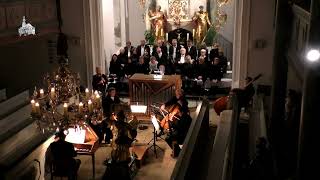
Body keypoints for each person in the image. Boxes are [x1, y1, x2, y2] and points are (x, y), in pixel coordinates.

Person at [161, 89, 191, 157]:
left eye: (178, 94)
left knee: (168, 138)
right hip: (180, 127)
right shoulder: (185, 116)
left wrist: (171, 128)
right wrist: (164, 104)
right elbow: (172, 100)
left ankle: (177, 151)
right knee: (170, 132)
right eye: (176, 94)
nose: (176, 95)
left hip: (182, 133)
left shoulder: (184, 106)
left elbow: (180, 127)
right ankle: (176, 150)